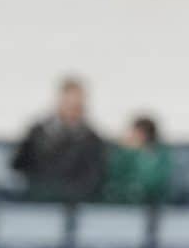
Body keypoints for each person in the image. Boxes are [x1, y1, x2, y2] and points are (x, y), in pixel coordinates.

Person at [11, 76, 106, 204]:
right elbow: (19, 165)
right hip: (35, 200)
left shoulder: (92, 140)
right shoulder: (37, 132)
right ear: (60, 101)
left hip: (71, 204)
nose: (72, 108)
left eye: (77, 104)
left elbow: (93, 178)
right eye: (69, 103)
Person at [104, 115, 175, 207]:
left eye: (136, 133)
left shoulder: (158, 155)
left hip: (149, 202)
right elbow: (114, 175)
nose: (132, 135)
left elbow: (156, 183)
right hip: (123, 201)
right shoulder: (124, 153)